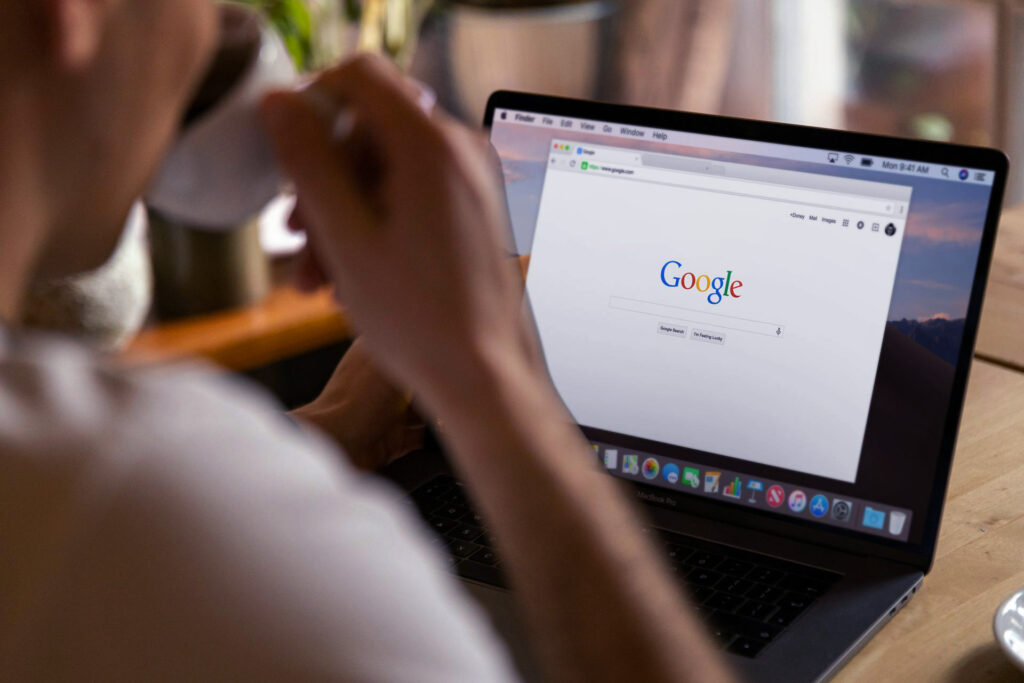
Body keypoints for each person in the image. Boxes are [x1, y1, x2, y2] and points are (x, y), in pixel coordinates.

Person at [0, 1, 731, 681]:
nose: (218, 34)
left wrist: (327, 424)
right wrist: (491, 381)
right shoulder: (141, 497)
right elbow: (149, 511)